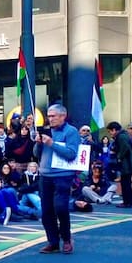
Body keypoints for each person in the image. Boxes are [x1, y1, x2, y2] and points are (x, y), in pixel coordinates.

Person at [36, 104, 81, 254]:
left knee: (61, 208)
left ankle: (67, 239)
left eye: (53, 116)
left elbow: (71, 154)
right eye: (49, 116)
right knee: (46, 211)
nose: (50, 119)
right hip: (45, 175)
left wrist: (52, 143)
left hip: (62, 175)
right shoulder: (47, 131)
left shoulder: (71, 131)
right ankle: (53, 242)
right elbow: (37, 153)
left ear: (63, 116)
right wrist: (38, 143)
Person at [106, 122, 132, 208]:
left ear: (114, 130)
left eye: (110, 131)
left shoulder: (121, 137)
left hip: (126, 163)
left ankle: (127, 202)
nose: (110, 133)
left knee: (125, 183)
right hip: (127, 162)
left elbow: (125, 148)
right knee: (126, 182)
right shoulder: (123, 135)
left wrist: (119, 157)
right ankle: (129, 201)